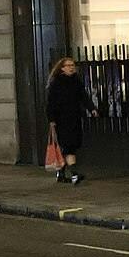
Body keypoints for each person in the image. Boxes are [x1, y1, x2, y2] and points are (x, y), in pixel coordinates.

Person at [46, 55, 97, 185]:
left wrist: (91, 108)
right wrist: (52, 120)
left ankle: (61, 173)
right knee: (68, 146)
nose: (71, 68)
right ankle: (74, 174)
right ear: (62, 68)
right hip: (61, 119)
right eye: (68, 65)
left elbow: (83, 97)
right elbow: (50, 103)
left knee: (71, 145)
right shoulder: (56, 83)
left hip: (74, 118)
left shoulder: (76, 81)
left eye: (72, 65)